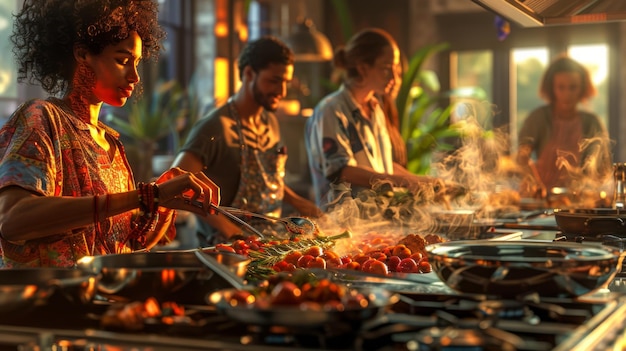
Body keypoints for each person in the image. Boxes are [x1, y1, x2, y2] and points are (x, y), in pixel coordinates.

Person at [0, 0, 220, 268]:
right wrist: (145, 196)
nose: (135, 76)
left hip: (106, 301)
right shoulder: (41, 118)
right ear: (82, 54)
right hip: (50, 303)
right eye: (122, 60)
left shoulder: (110, 142)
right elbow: (13, 221)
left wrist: (162, 203)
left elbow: (126, 244)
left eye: (137, 63)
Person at [172, 36, 321, 244]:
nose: (282, 91)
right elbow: (175, 183)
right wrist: (233, 232)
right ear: (249, 73)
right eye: (274, 81)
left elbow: (267, 179)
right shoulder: (215, 127)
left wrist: (297, 201)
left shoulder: (270, 122)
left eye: (286, 82)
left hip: (268, 247)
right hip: (225, 254)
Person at [305, 28, 445, 209]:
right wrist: (401, 181)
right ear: (363, 68)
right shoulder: (331, 110)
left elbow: (382, 166)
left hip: (377, 224)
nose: (394, 78)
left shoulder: (375, 108)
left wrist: (419, 181)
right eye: (387, 69)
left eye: (396, 70)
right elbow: (342, 170)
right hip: (343, 225)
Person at [516, 55, 612, 198]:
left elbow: (603, 167)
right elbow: (522, 156)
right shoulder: (538, 118)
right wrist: (534, 182)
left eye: (573, 87)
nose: (567, 94)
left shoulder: (592, 122)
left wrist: (592, 188)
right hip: (541, 199)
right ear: (551, 88)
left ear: (582, 89)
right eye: (561, 87)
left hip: (580, 200)